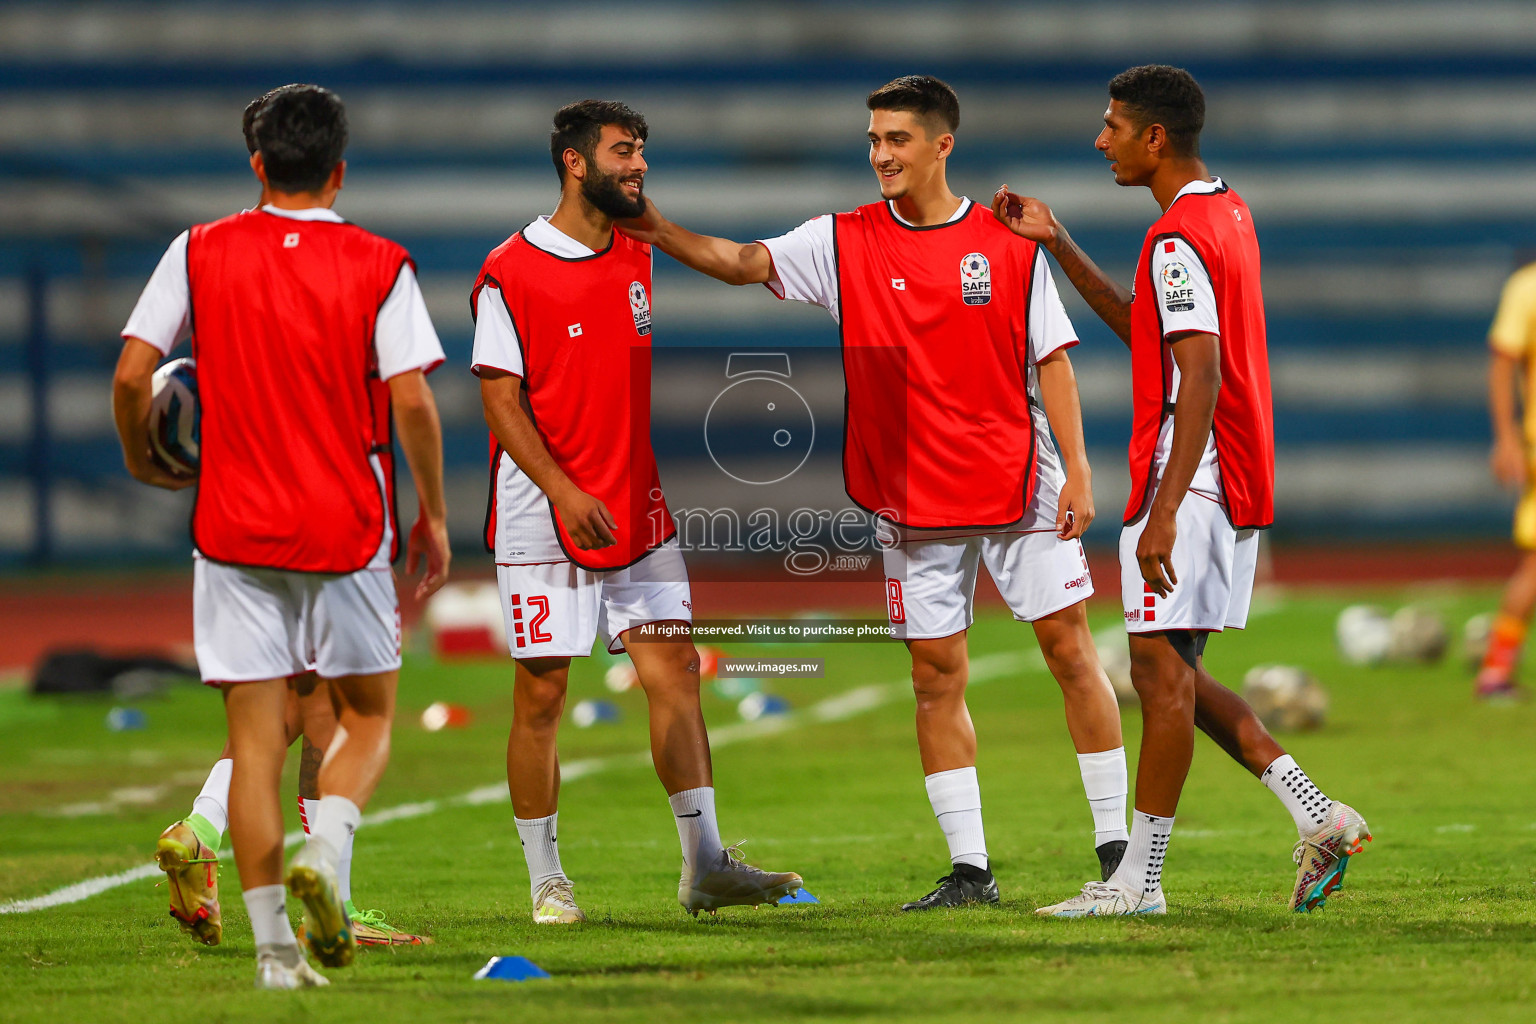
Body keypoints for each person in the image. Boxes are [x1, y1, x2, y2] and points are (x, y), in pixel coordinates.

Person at [618, 75, 1130, 910]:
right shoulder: (843, 238)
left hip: (1017, 479)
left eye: (896, 139)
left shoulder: (1005, 245)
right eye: (873, 139)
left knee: (1071, 653)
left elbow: (1052, 361)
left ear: (942, 145)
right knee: (936, 677)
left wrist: (1078, 467)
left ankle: (1119, 855)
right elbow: (743, 263)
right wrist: (653, 225)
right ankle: (971, 872)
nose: (881, 155)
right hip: (907, 495)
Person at [991, 64, 1370, 916]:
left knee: (1160, 681)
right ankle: (1320, 815)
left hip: (1190, 481)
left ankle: (1138, 883)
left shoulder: (1175, 239)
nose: (1101, 140)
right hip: (1230, 476)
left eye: (1112, 126)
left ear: (1153, 137)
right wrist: (1055, 242)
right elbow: (1149, 333)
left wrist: (1161, 511)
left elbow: (1197, 374)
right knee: (1176, 675)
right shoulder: (1225, 211)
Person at [113, 84, 450, 986]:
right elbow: (413, 397)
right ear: (339, 171)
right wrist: (435, 514)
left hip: (232, 532)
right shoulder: (380, 263)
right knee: (367, 719)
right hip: (344, 527)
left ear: (257, 164)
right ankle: (327, 857)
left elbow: (131, 374)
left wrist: (144, 462)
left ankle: (272, 959)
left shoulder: (198, 250)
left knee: (258, 743)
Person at [471, 99, 802, 924]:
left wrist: (659, 220)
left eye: (643, 151)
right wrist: (562, 489)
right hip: (546, 511)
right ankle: (547, 879)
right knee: (542, 695)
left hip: (635, 507)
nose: (639, 165)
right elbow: (500, 403)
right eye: (624, 152)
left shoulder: (636, 250)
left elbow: (716, 255)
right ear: (575, 162)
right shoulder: (508, 270)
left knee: (676, 672)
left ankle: (705, 866)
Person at [1476, 254, 1536, 699]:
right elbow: (1502, 361)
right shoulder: (1526, 287)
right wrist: (1507, 437)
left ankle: (1496, 668)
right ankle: (1495, 670)